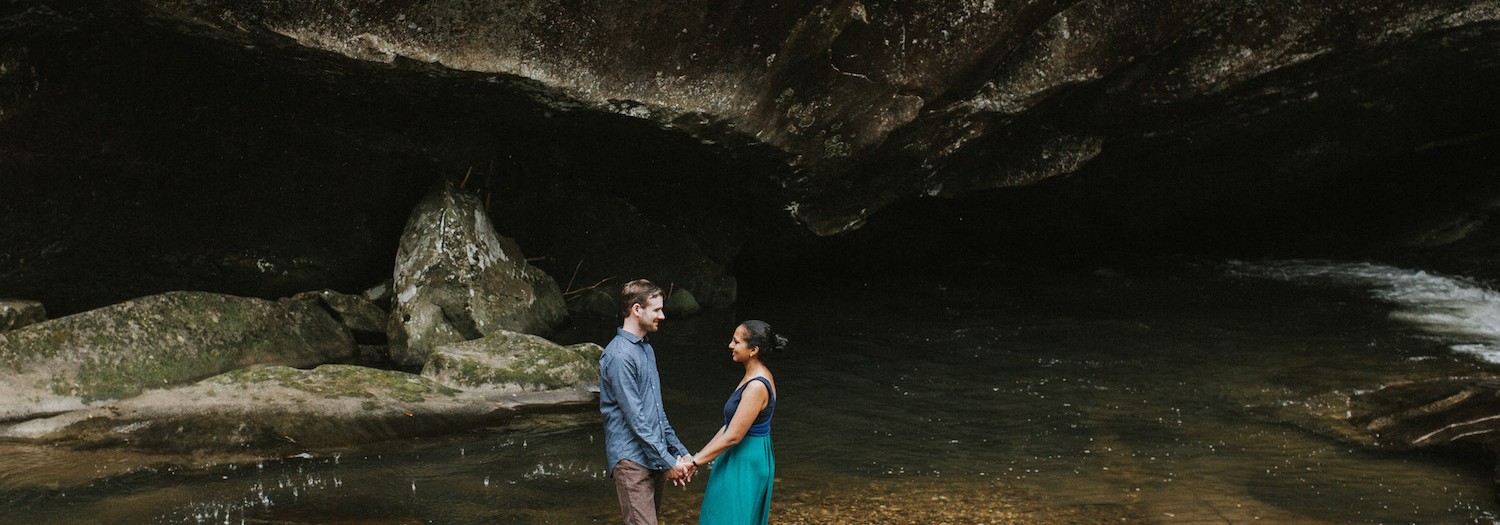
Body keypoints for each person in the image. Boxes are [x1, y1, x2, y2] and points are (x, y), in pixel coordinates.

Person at [599, 279, 695, 525]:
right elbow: (636, 419)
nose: (662, 316)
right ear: (636, 310)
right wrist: (667, 461)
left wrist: (680, 452)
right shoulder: (619, 355)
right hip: (632, 460)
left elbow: (657, 413)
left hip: (653, 456)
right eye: (656, 310)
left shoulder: (645, 349)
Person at [684, 320, 787, 525]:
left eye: (736, 342)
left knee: (729, 518)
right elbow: (730, 425)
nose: (730, 345)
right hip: (740, 455)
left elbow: (733, 435)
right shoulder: (751, 376)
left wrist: (695, 462)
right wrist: (697, 457)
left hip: (746, 458)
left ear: (753, 350)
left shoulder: (757, 385)